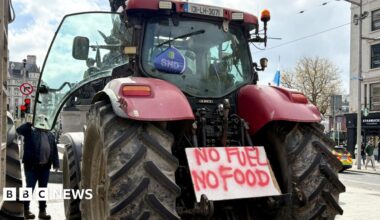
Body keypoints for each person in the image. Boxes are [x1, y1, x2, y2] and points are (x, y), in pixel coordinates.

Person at [16, 122, 59, 219]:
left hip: (45, 167)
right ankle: (25, 210)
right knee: (29, 189)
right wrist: (29, 123)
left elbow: (54, 150)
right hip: (32, 167)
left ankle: (42, 212)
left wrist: (56, 164)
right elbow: (18, 130)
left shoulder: (50, 135)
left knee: (42, 190)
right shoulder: (30, 132)